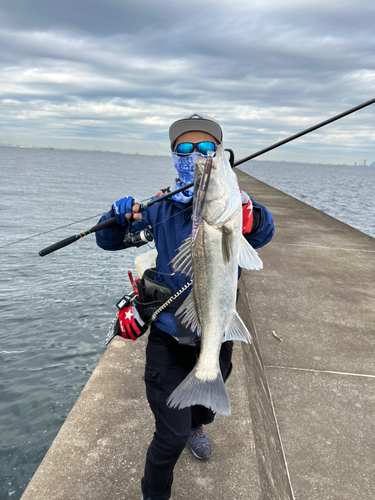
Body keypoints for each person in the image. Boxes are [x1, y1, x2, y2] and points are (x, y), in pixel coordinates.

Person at [96, 113, 275, 500]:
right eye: (187, 148)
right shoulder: (160, 208)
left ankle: (199, 422)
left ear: (222, 152)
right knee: (170, 436)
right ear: (174, 153)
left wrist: (253, 216)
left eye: (208, 147)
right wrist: (114, 217)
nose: (198, 155)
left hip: (215, 330)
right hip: (167, 336)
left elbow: (262, 233)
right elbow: (109, 241)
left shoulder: (232, 207)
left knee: (205, 404)